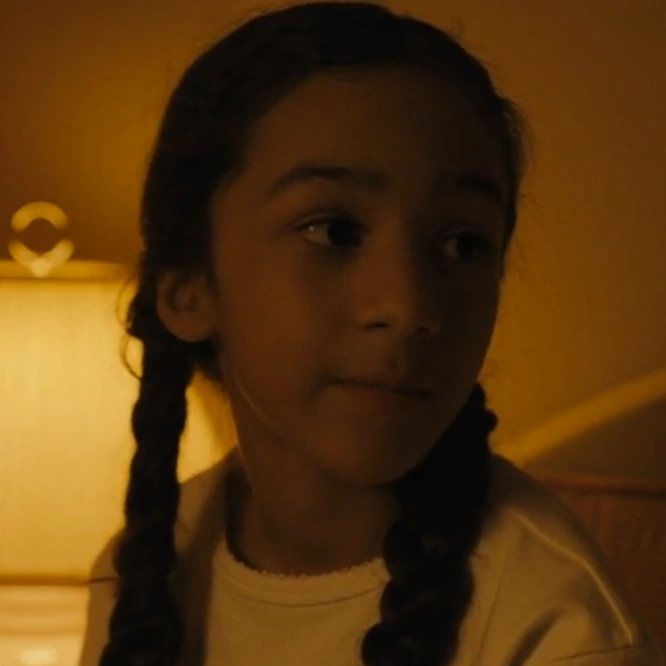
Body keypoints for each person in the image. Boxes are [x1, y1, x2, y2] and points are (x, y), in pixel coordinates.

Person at [78, 2, 665, 665]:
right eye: (334, 231)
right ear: (189, 289)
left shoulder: (560, 628)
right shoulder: (148, 572)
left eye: (463, 244)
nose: (408, 305)